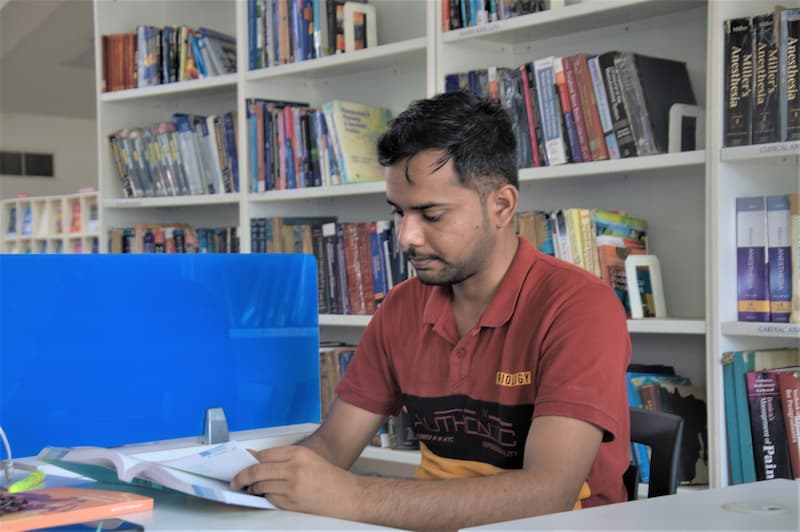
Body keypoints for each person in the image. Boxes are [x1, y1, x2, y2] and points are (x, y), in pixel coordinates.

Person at [231, 90, 632, 530]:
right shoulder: (402, 307)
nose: (406, 237)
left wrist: (352, 495)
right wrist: (244, 475)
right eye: (399, 213)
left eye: (432, 215)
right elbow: (333, 445)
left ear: (501, 206)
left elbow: (547, 494)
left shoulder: (579, 307)